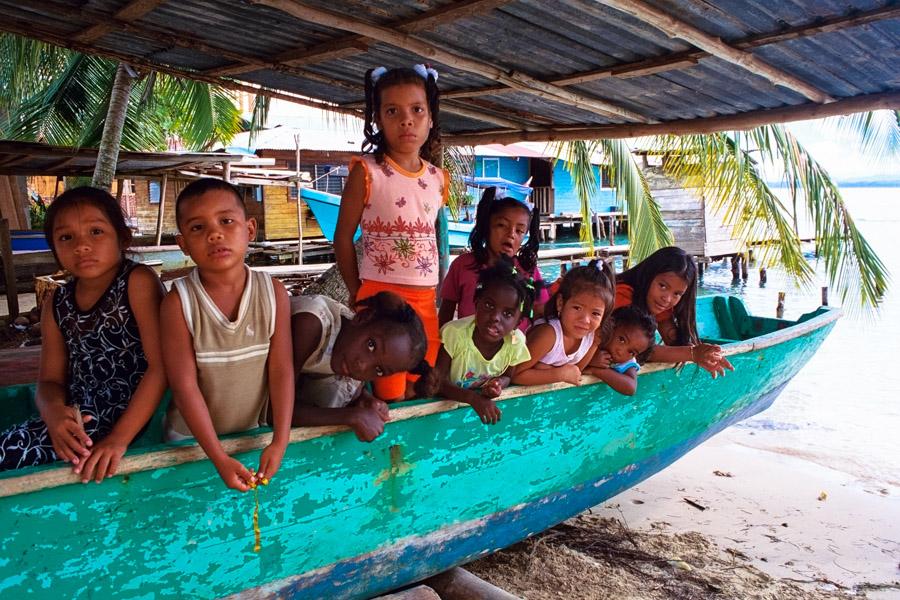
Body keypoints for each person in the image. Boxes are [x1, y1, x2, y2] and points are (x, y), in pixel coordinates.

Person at [0, 187, 165, 481]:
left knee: (9, 452)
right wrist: (52, 413)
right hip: (79, 419)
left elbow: (161, 367)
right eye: (66, 237)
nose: (82, 245)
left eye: (96, 232)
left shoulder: (136, 282)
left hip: (129, 417)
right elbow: (50, 380)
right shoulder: (57, 303)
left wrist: (119, 439)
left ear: (122, 237)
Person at [161, 179, 293, 492]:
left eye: (226, 221)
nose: (214, 234)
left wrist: (280, 440)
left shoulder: (273, 294)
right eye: (198, 228)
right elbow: (184, 387)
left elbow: (281, 370)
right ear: (183, 244)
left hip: (250, 436)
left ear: (249, 230)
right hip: (189, 444)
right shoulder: (179, 302)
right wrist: (217, 457)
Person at [334, 64, 447, 403]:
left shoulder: (438, 179)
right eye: (393, 111)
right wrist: (359, 293)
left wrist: (437, 291)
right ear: (379, 120)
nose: (406, 120)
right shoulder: (367, 172)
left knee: (421, 381)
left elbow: (432, 240)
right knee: (390, 388)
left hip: (425, 300)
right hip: (381, 298)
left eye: (416, 110)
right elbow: (342, 239)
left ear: (430, 118)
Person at [290, 291, 436, 442]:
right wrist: (350, 416)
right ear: (362, 318)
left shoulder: (350, 350)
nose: (362, 365)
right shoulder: (311, 324)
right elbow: (273, 409)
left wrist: (365, 400)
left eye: (379, 370)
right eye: (371, 345)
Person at [588, 246, 733, 377]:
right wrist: (693, 354)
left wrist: (706, 355)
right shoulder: (621, 294)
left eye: (677, 294)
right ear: (649, 275)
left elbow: (672, 339)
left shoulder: (656, 301)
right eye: (663, 286)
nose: (667, 299)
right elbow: (644, 350)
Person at [437, 258, 535, 425]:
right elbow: (438, 382)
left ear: (518, 323)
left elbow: (507, 376)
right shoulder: (454, 334)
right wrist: (474, 399)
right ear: (476, 302)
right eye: (489, 305)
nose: (495, 318)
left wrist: (497, 385)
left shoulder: (516, 342)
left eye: (508, 314)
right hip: (443, 415)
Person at [439, 186, 549, 330]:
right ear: (487, 226)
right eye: (502, 225)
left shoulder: (529, 271)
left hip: (513, 350)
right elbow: (446, 311)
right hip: (467, 348)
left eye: (519, 231)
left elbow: (540, 314)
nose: (511, 234)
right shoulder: (462, 265)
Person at [513, 260, 615, 387]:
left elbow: (576, 371)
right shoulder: (548, 335)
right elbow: (515, 374)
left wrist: (548, 369)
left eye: (595, 314)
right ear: (561, 303)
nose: (585, 320)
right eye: (577, 308)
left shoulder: (593, 336)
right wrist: (558, 374)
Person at [586, 305, 656, 396]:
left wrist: (596, 370)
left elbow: (631, 388)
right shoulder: (591, 338)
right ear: (611, 326)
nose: (621, 351)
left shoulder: (627, 362)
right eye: (622, 340)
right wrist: (590, 359)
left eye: (631, 352)